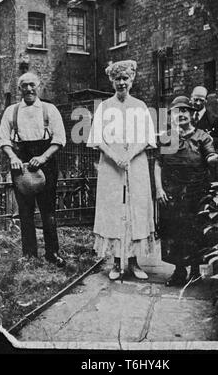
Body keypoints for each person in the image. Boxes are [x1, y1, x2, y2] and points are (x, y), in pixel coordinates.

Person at [87, 60, 156, 281]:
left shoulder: (140, 106)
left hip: (136, 164)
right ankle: (117, 263)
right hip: (111, 165)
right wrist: (116, 157)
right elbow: (97, 140)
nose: (121, 83)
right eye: (117, 79)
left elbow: (147, 139)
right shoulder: (105, 107)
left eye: (125, 78)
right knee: (114, 208)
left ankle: (134, 262)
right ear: (112, 81)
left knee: (136, 208)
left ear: (132, 80)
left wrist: (129, 155)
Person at [154, 96, 218, 286]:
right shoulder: (166, 137)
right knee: (174, 232)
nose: (181, 115)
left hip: (197, 192)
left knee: (196, 232)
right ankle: (179, 272)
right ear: (172, 116)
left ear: (192, 114)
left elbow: (210, 156)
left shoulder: (202, 136)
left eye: (185, 111)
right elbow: (158, 164)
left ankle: (195, 272)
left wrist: (217, 158)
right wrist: (159, 188)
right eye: (177, 112)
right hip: (172, 193)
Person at [0, 72, 66, 267]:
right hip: (20, 163)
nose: (28, 89)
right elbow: (3, 139)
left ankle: (52, 253)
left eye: (32, 85)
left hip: (46, 161)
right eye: (24, 86)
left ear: (38, 86)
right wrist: (13, 157)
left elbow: (59, 139)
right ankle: (29, 254)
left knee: (48, 210)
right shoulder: (12, 111)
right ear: (19, 89)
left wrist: (43, 157)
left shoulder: (49, 109)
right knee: (25, 211)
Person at [190, 86, 218, 152]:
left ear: (206, 100)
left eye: (201, 100)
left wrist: (210, 138)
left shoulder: (215, 120)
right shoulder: (186, 117)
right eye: (196, 99)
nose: (198, 103)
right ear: (191, 99)